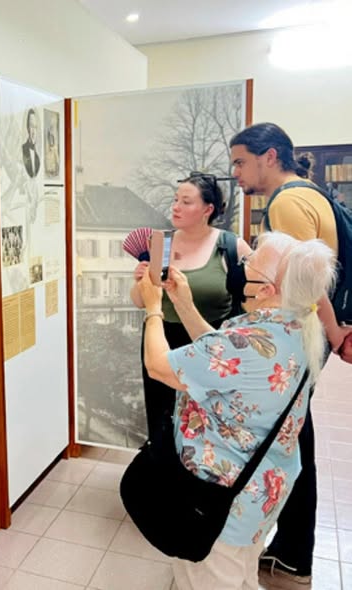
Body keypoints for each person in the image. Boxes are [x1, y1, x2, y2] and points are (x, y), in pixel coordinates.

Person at [137, 231, 336, 590]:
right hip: (259, 491)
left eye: (251, 264)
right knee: (242, 577)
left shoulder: (248, 343)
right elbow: (221, 360)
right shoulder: (293, 328)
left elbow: (158, 366)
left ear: (266, 290)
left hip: (220, 503)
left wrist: (154, 308)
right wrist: (184, 302)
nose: (243, 266)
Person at [230, 122, 352, 584]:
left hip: (296, 339)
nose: (236, 173)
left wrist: (333, 333)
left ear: (270, 156)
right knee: (294, 439)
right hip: (306, 336)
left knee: (291, 445)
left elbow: (306, 280)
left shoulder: (286, 202)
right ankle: (290, 549)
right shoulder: (311, 193)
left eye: (241, 162)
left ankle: (293, 553)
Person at [130, 172, 251, 439]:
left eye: (186, 202)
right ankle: (162, 460)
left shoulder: (231, 247)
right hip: (162, 339)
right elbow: (139, 301)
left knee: (208, 421)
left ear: (208, 209)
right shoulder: (160, 243)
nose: (176, 207)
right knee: (162, 418)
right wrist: (140, 280)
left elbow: (256, 297)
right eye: (175, 200)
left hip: (209, 340)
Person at [22, 108, 40, 178]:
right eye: (32, 126)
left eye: (35, 127)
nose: (33, 132)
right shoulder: (22, 150)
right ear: (27, 128)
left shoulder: (37, 159)